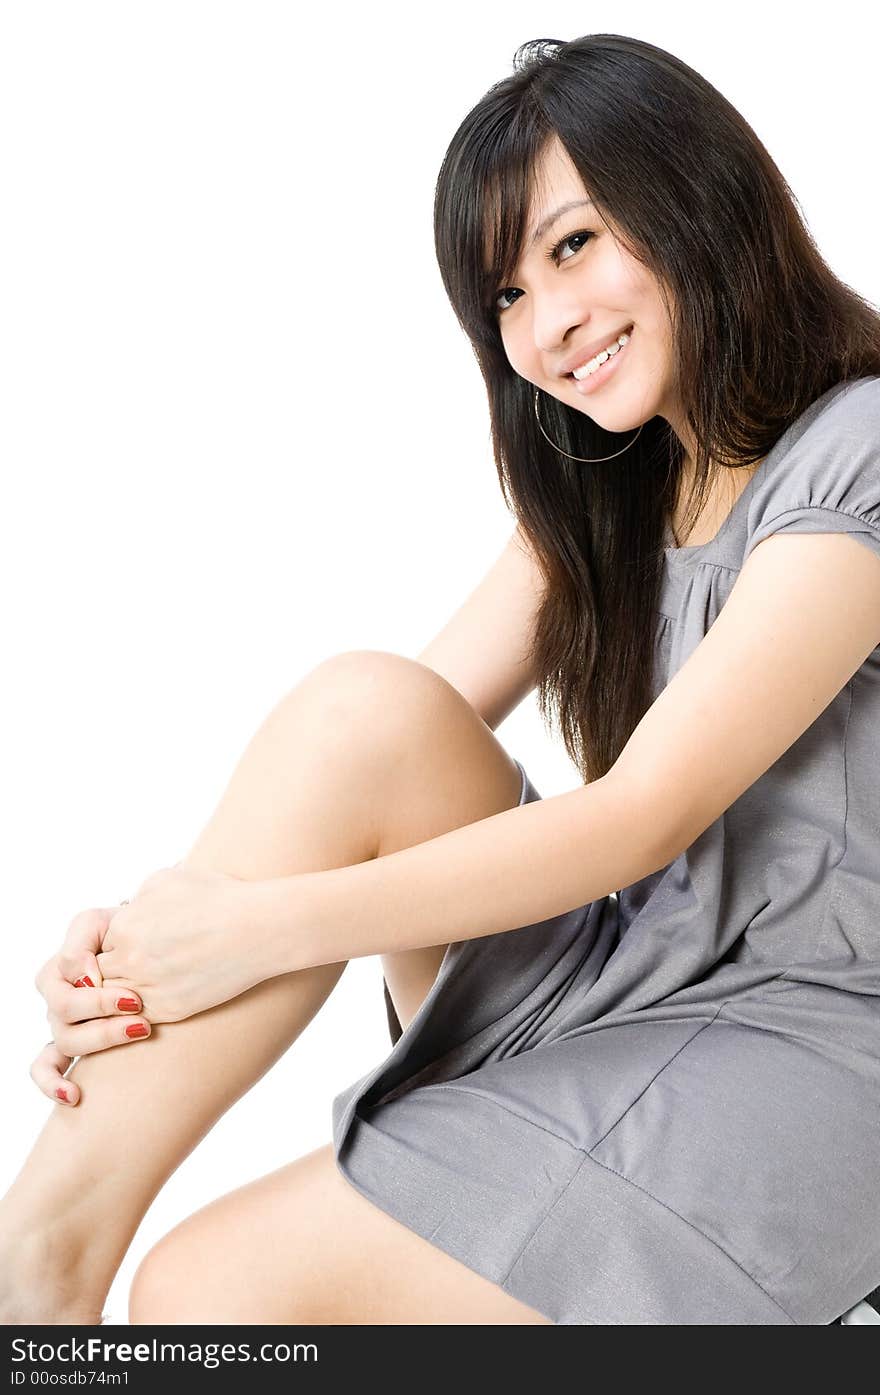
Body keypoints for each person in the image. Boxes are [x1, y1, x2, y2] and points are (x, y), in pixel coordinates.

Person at [3, 30, 880, 1326]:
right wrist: (156, 933)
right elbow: (369, 751)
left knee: (212, 1292)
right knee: (362, 707)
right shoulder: (615, 485)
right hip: (639, 978)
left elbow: (643, 815)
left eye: (573, 245)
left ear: (701, 201)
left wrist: (247, 931)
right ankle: (35, 1272)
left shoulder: (857, 447)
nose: (547, 323)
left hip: (820, 1041)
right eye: (506, 296)